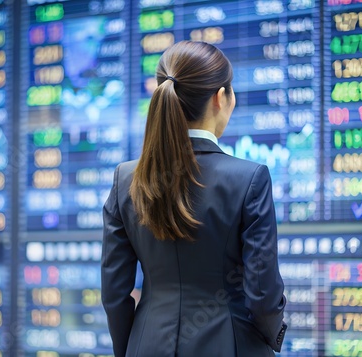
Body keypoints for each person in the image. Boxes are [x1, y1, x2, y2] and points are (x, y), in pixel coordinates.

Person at [101, 40, 287, 357]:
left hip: (147, 345)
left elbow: (115, 295)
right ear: (220, 98)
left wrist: (130, 348)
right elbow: (263, 293)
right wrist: (271, 339)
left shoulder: (126, 180)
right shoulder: (249, 178)